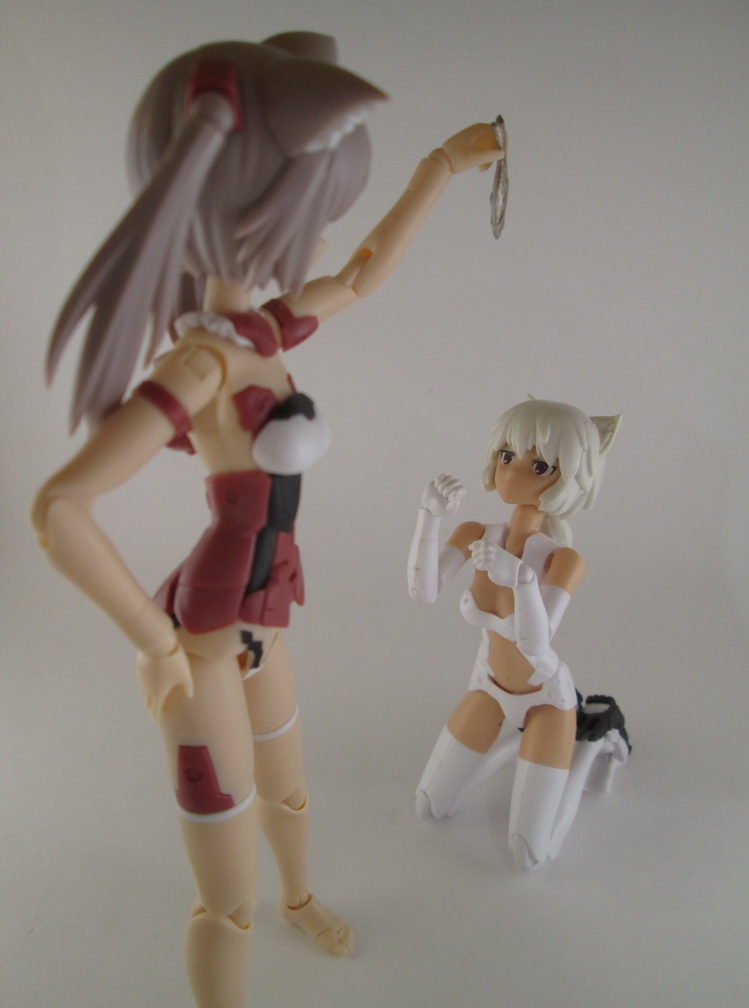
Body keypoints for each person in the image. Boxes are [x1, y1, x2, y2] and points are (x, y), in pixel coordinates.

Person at [31, 32, 504, 1008]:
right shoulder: (200, 366)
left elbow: (363, 272)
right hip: (202, 645)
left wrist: (442, 168)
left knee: (290, 792)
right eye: (311, 206)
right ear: (239, 213)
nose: (319, 231)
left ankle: (301, 898)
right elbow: (58, 509)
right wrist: (153, 640)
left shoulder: (261, 331)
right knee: (224, 897)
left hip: (266, 617)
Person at [408, 398, 629, 871]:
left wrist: (522, 580)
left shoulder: (562, 561)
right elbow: (423, 591)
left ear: (568, 479)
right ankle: (514, 742)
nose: (512, 472)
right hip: (488, 688)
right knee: (428, 806)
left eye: (540, 465)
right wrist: (429, 516)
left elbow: (536, 642)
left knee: (530, 853)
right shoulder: (476, 532)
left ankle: (591, 743)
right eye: (507, 455)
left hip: (545, 697)